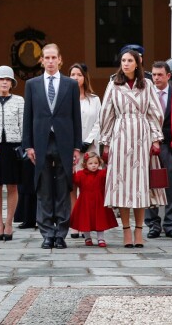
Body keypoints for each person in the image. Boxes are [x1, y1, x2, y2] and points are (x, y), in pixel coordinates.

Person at [100, 48, 165, 248]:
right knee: (122, 186)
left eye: (129, 60)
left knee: (140, 186)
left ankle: (139, 231)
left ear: (137, 63)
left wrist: (155, 138)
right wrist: (106, 142)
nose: (126, 63)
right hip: (120, 135)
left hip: (141, 136)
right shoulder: (113, 84)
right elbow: (106, 114)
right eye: (123, 60)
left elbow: (155, 113)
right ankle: (126, 231)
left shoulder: (147, 85)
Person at [22, 43, 82, 250]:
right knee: (44, 187)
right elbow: (27, 116)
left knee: (63, 188)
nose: (49, 61)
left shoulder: (70, 85)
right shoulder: (32, 84)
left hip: (64, 141)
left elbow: (76, 117)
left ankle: (61, 233)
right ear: (41, 60)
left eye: (53, 58)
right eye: (46, 58)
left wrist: (76, 147)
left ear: (60, 59)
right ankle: (47, 232)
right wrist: (28, 145)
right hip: (40, 142)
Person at [0, 65, 24, 243]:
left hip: (13, 147)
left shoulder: (19, 101)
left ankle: (9, 223)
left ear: (12, 82)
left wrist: (24, 144)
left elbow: (23, 124)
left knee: (13, 185)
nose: (5, 82)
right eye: (1, 79)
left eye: (8, 79)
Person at [147, 61, 172, 238]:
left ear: (168, 76)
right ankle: (153, 224)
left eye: (160, 75)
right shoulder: (146, 91)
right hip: (149, 145)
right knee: (150, 182)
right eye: (153, 74)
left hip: (170, 142)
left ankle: (170, 225)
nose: (156, 78)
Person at [68, 62, 101, 238]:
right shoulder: (64, 98)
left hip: (89, 149)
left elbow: (99, 122)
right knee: (73, 186)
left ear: (84, 77)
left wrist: (86, 142)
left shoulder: (94, 99)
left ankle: (89, 222)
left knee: (88, 187)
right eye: (72, 75)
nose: (75, 78)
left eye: (78, 75)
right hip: (70, 148)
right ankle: (75, 223)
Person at [70, 152, 117, 247]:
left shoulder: (101, 173)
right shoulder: (81, 174)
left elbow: (109, 175)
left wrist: (109, 164)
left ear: (99, 164)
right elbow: (75, 180)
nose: (93, 166)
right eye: (90, 164)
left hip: (99, 201)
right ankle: (87, 238)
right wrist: (73, 171)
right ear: (85, 164)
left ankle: (101, 238)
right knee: (85, 220)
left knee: (100, 219)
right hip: (85, 201)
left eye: (96, 163)